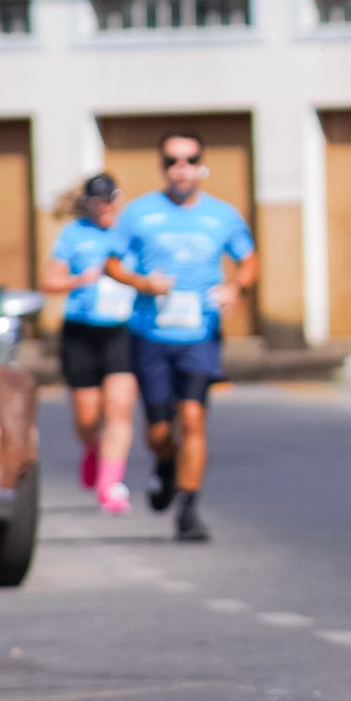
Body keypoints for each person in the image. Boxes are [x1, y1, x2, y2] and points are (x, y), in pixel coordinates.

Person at [104, 130, 258, 543]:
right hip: (151, 333)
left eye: (189, 160)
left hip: (200, 332)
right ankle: (166, 465)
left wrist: (235, 288)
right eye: (172, 161)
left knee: (192, 417)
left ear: (201, 166)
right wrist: (142, 283)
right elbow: (112, 264)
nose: (181, 169)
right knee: (159, 432)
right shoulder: (139, 214)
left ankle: (189, 509)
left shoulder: (222, 216)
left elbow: (248, 259)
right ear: (162, 167)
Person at [39, 172, 139, 514]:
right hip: (81, 331)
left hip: (121, 330)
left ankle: (110, 485)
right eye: (99, 202)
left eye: (111, 200)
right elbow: (49, 281)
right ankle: (93, 449)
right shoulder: (73, 234)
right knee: (87, 416)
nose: (105, 207)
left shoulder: (129, 234)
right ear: (89, 204)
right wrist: (79, 279)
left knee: (119, 407)